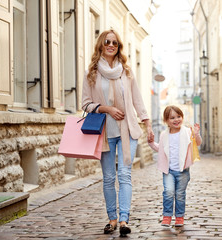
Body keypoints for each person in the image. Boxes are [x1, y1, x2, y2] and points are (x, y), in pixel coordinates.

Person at [82, 29, 154, 236]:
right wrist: (107, 109)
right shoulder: (92, 73)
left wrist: (147, 123)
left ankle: (124, 220)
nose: (111, 45)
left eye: (115, 42)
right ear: (101, 45)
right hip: (104, 131)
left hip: (127, 130)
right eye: (107, 42)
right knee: (108, 177)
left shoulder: (127, 72)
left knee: (124, 175)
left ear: (119, 46)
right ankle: (111, 219)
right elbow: (85, 104)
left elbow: (138, 100)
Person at [148, 105, 201, 227]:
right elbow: (160, 148)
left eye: (179, 116)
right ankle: (166, 216)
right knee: (168, 192)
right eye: (172, 118)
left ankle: (179, 217)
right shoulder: (164, 135)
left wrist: (196, 134)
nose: (176, 120)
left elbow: (197, 143)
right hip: (169, 171)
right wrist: (151, 143)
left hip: (183, 170)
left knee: (180, 194)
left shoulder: (187, 132)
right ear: (166, 121)